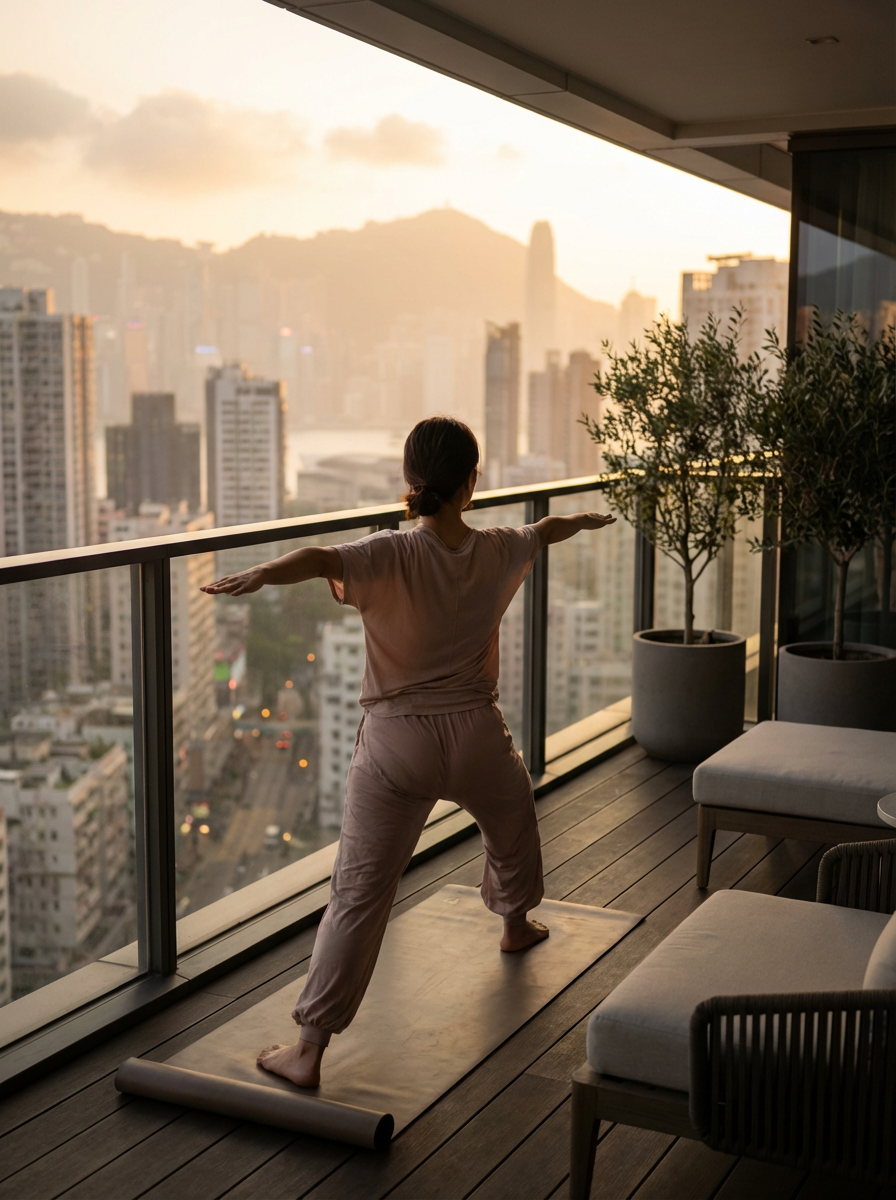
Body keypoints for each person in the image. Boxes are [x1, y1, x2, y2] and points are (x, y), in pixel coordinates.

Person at [201, 417, 615, 1088]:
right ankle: (514, 923)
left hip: (397, 745)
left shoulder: (388, 553)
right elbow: (546, 530)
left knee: (359, 893)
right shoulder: (498, 548)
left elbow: (316, 560)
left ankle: (308, 1049)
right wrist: (587, 520)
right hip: (477, 735)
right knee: (511, 818)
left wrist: (260, 574)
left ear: (410, 483)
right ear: (471, 485)